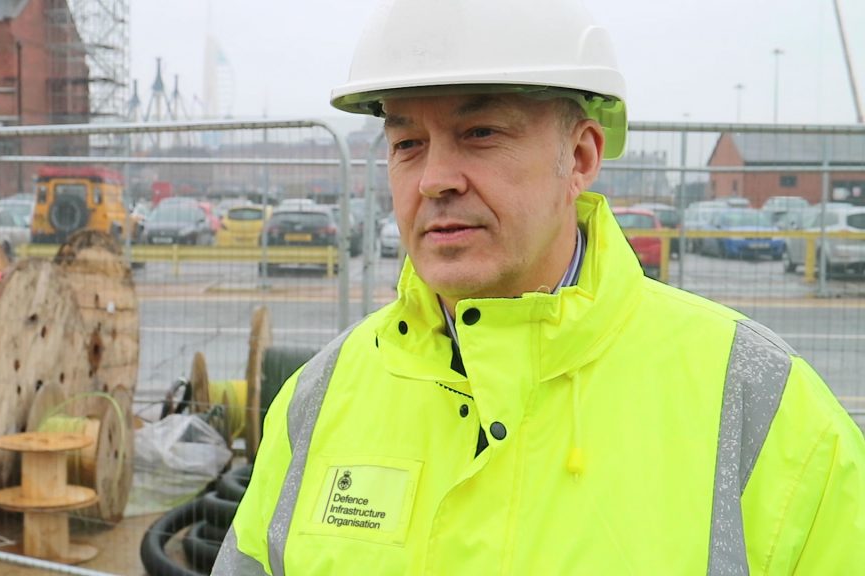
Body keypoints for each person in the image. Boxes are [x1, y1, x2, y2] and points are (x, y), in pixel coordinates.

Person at [214, 0, 865, 573]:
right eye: (408, 142)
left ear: (580, 157)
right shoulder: (319, 400)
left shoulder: (760, 406)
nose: (434, 179)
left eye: (480, 133)